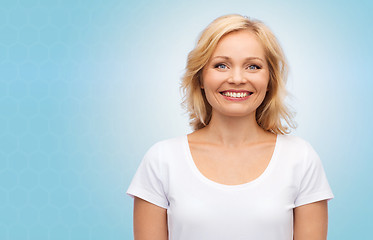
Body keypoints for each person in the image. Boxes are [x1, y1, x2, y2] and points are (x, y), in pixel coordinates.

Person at [126, 14, 334, 240]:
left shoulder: (300, 158)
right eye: (221, 65)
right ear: (200, 78)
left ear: (270, 80)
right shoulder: (162, 159)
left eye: (253, 66)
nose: (237, 78)